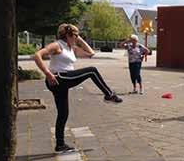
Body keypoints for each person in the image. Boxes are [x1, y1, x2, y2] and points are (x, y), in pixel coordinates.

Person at [34, 23, 123, 153]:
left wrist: (79, 38)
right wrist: (47, 73)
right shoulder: (57, 45)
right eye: (75, 36)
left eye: (77, 36)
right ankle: (109, 94)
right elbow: (37, 55)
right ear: (68, 35)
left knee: (63, 114)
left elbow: (91, 53)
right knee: (92, 71)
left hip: (62, 81)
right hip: (58, 78)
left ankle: (60, 145)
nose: (77, 38)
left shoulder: (71, 48)